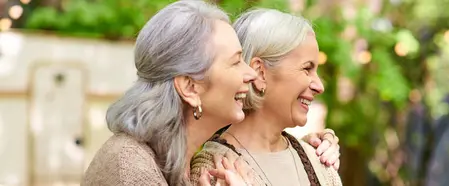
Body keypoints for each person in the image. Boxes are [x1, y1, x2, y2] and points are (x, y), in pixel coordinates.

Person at [82, 1, 341, 185]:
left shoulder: (174, 166)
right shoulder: (131, 169)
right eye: (235, 61)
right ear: (190, 88)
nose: (249, 74)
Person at [190, 8, 343, 186]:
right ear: (259, 73)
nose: (320, 86)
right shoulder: (212, 170)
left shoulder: (318, 162)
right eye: (307, 68)